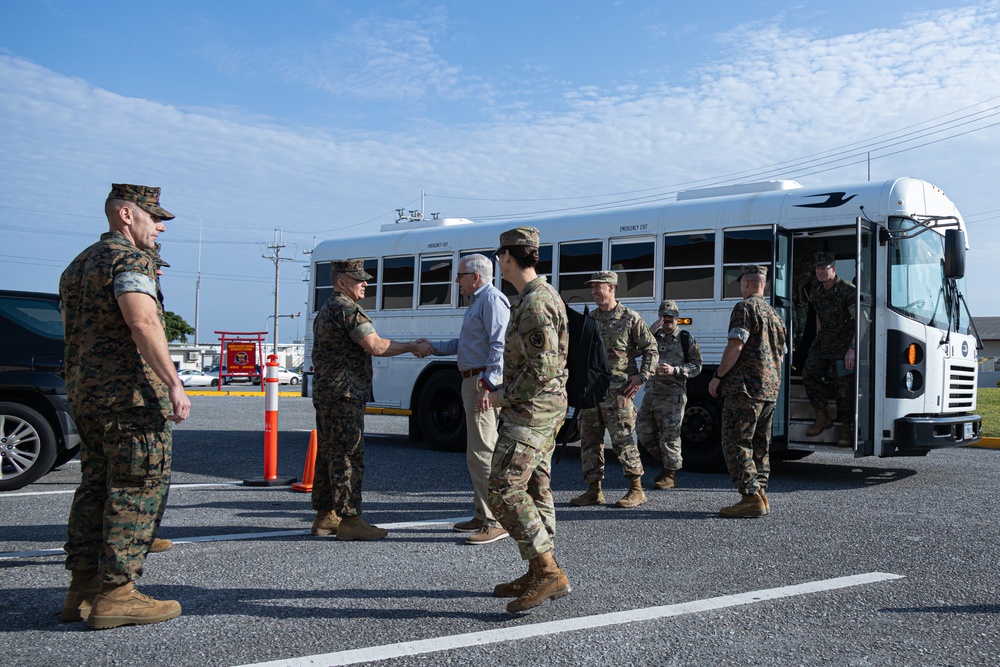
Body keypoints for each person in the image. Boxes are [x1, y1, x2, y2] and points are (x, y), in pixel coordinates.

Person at [59, 183, 191, 629]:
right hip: (130, 397)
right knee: (136, 488)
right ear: (126, 216)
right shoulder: (128, 259)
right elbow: (141, 319)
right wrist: (173, 382)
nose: (160, 229)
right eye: (155, 218)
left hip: (88, 395)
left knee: (96, 485)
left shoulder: (78, 264)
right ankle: (118, 594)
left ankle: (82, 589)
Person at [482, 226, 571, 613]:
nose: (497, 262)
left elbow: (545, 367)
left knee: (502, 487)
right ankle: (540, 570)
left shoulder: (535, 302)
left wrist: (504, 396)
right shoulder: (533, 296)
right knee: (535, 488)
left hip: (532, 411)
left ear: (507, 257)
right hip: (540, 410)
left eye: (499, 255)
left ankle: (549, 571)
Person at [310, 259, 432, 541]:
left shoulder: (327, 308)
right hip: (345, 395)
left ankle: (325, 515)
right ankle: (350, 519)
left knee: (329, 453)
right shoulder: (346, 309)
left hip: (328, 393)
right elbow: (375, 346)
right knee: (348, 455)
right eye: (358, 279)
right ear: (342, 282)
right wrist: (412, 346)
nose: (366, 283)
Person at [429, 254, 511, 545]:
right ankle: (481, 513)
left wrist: (488, 385)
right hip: (473, 381)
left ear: (475, 277)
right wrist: (432, 348)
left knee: (482, 453)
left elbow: (500, 346)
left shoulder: (491, 300)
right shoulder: (478, 302)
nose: (457, 281)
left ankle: (495, 520)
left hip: (480, 384)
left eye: (461, 275)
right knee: (475, 452)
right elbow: (465, 344)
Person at [570, 271, 657, 509]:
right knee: (589, 441)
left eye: (599, 287)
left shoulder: (630, 318)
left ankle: (636, 489)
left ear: (612, 288)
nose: (594, 291)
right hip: (591, 392)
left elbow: (651, 349)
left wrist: (642, 376)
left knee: (623, 440)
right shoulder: (590, 319)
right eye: (592, 288)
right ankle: (593, 490)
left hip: (619, 392)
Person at [708, 265, 786, 518]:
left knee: (736, 442)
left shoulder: (745, 308)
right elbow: (782, 355)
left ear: (747, 284)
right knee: (760, 445)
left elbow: (736, 345)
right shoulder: (775, 315)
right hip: (770, 390)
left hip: (745, 389)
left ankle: (750, 497)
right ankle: (760, 494)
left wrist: (718, 376)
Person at [636, 299, 703, 490]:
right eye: (664, 316)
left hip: (673, 395)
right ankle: (668, 461)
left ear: (677, 317)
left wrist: (675, 370)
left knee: (670, 435)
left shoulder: (685, 338)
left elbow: (697, 366)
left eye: (670, 317)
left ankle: (670, 474)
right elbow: (633, 351)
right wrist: (648, 332)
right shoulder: (653, 337)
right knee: (643, 431)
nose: (667, 320)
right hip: (652, 393)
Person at [802, 252, 867, 446]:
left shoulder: (847, 290)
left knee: (844, 389)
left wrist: (853, 349)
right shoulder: (816, 288)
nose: (821, 272)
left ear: (834, 269)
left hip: (845, 346)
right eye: (818, 268)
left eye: (825, 268)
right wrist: (817, 338)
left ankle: (845, 429)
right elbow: (818, 317)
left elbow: (862, 322)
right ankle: (822, 416)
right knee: (808, 372)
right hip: (824, 342)